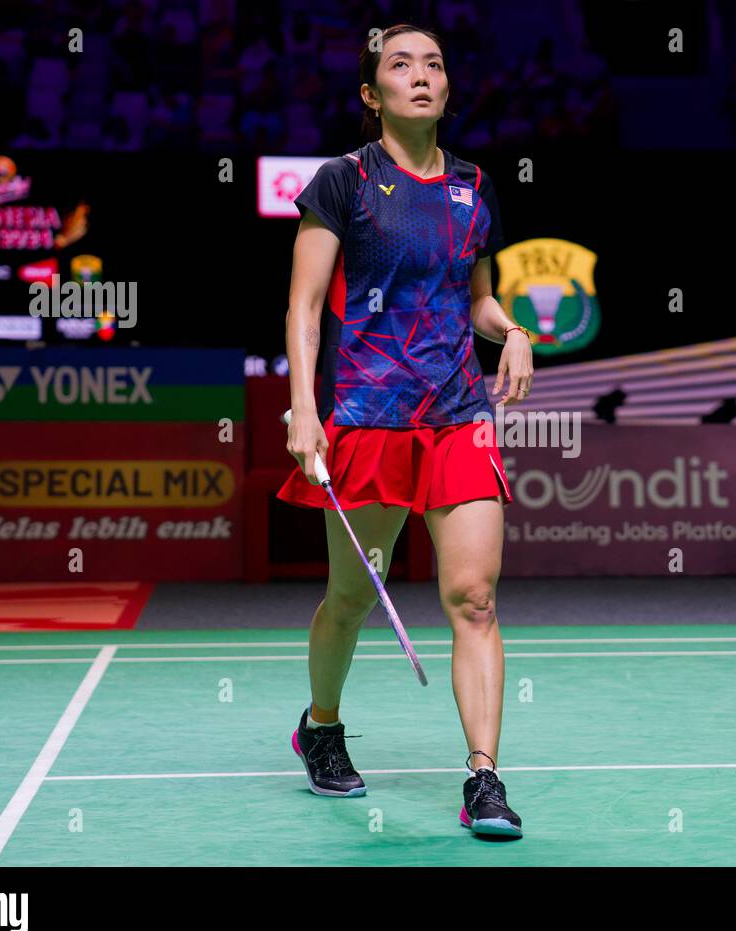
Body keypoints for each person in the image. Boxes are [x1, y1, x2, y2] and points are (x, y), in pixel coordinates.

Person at [278, 24, 533, 838]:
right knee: (351, 599)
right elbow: (304, 306)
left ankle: (484, 780)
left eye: (433, 64)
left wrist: (514, 331)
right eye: (400, 66)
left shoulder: (472, 186)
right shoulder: (344, 182)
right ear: (371, 93)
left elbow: (478, 301)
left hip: (457, 414)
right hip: (368, 415)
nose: (421, 77)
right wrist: (307, 409)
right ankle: (321, 725)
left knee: (475, 597)